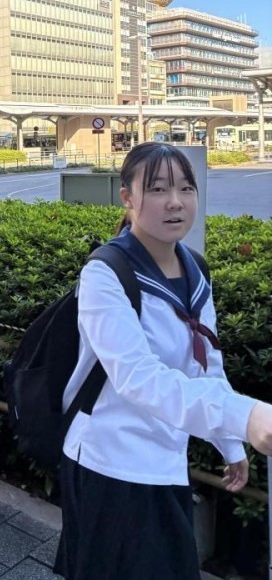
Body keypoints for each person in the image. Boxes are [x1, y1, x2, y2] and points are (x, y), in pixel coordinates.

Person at [55, 142, 272, 580]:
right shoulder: (105, 272)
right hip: (109, 462)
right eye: (157, 189)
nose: (175, 202)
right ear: (128, 198)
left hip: (165, 460)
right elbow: (138, 378)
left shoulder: (195, 270)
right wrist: (243, 414)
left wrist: (230, 441)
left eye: (186, 188)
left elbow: (206, 366)